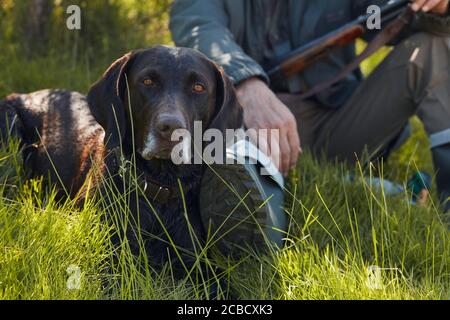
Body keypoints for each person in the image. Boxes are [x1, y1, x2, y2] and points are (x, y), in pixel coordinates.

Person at [169, 0, 450, 252]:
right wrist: (246, 84)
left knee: (432, 48)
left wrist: (432, 9)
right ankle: (253, 229)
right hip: (247, 125)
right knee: (225, 136)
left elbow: (376, 17)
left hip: (338, 123)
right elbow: (199, 25)